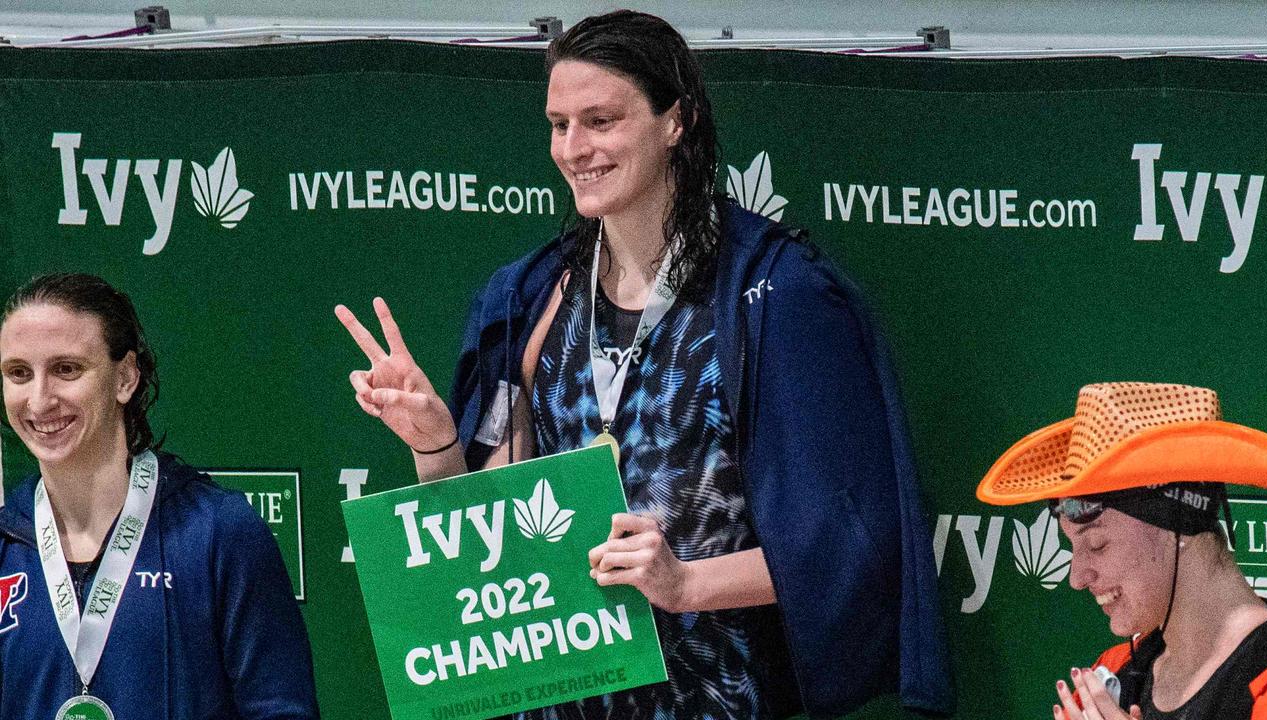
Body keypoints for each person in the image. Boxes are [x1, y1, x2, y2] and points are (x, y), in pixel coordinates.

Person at [337, 10, 953, 719]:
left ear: (676, 121)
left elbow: (851, 551)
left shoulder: (774, 294)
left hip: (721, 697)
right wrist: (435, 444)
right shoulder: (529, 298)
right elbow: (489, 547)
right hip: (560, 699)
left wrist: (684, 584)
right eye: (558, 124)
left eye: (601, 120)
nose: (574, 148)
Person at [0, 273, 319, 719]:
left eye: (66, 369)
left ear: (125, 377)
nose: (38, 400)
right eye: (18, 373)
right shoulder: (6, 545)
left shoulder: (218, 532)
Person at [977, 382, 1267, 720]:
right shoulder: (1111, 677)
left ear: (1175, 525)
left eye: (1097, 544)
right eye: (1073, 547)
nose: (1076, 578)